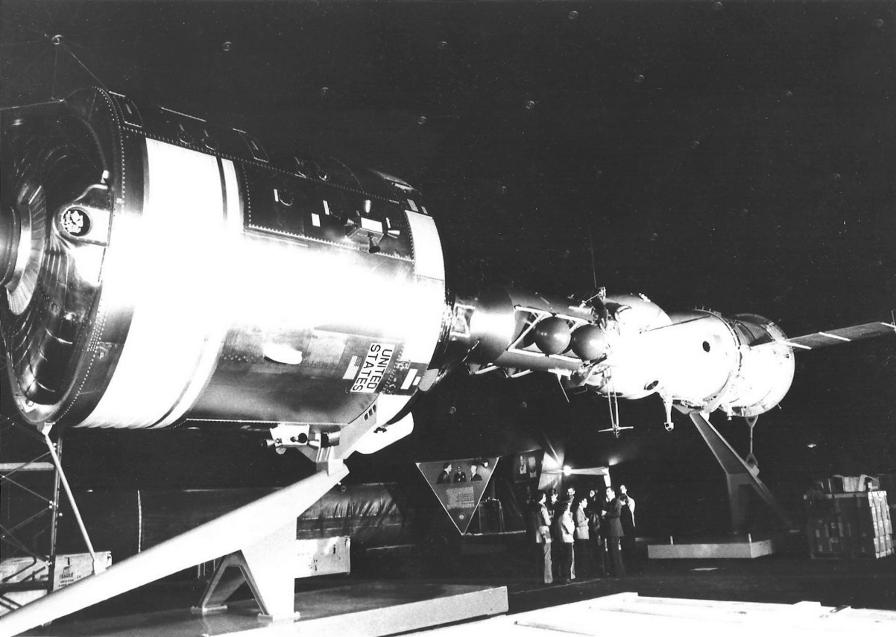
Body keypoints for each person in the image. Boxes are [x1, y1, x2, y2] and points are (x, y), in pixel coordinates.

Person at [601, 486, 626, 577]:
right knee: (611, 551)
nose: (606, 493)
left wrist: (606, 514)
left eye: (608, 491)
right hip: (610, 530)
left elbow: (617, 513)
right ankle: (614, 571)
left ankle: (618, 572)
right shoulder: (609, 502)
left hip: (614, 530)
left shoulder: (616, 501)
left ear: (612, 492)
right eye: (606, 491)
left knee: (615, 551)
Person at [530, 492, 553, 584]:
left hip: (536, 531)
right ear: (541, 498)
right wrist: (550, 519)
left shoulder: (533, 507)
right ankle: (548, 579)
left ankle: (538, 578)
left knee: (539, 554)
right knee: (547, 554)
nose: (545, 497)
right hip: (545, 531)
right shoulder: (543, 507)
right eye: (544, 496)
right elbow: (547, 522)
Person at [553, 498, 575, 583]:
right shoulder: (565, 517)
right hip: (567, 539)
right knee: (568, 559)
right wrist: (573, 523)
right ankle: (566, 577)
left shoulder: (560, 517)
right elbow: (570, 530)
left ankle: (564, 576)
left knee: (564, 559)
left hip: (562, 539)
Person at [588, 489, 607, 576]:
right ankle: (599, 570)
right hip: (596, 530)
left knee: (600, 551)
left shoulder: (598, 503)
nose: (590, 494)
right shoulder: (592, 503)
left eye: (591, 493)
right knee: (597, 551)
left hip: (598, 530)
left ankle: (601, 570)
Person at [619, 484, 637, 572]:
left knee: (630, 547)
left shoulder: (630, 501)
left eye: (622, 488)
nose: (621, 490)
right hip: (625, 527)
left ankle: (632, 567)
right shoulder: (619, 501)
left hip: (628, 527)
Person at [573, 495, 591, 578]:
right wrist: (586, 521)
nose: (586, 503)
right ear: (580, 502)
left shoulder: (581, 511)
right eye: (585, 501)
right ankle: (582, 573)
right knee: (582, 555)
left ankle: (584, 572)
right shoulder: (578, 511)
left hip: (583, 535)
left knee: (584, 554)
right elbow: (578, 523)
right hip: (581, 535)